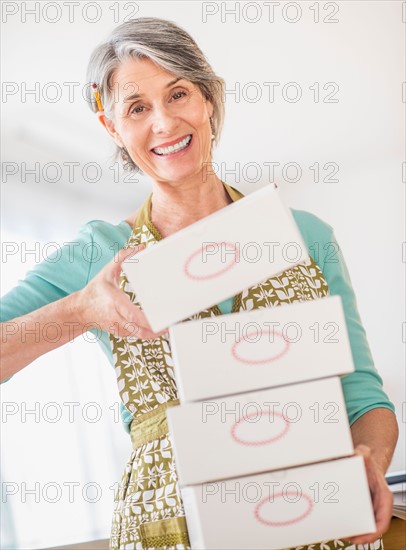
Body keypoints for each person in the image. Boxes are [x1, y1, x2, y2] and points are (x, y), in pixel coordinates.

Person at [0, 17, 399, 550]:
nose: (164, 123)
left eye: (179, 93)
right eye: (137, 107)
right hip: (170, 529)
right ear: (112, 127)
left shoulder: (304, 236)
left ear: (209, 99)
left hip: (307, 513)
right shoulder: (100, 255)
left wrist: (367, 460)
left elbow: (362, 396)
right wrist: (81, 309)